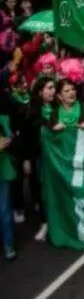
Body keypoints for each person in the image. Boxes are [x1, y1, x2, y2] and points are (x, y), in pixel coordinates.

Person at [0, 110, 16, 259]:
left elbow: (10, 136)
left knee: (4, 210)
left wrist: (8, 140)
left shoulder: (3, 118)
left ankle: (8, 244)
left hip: (2, 169)